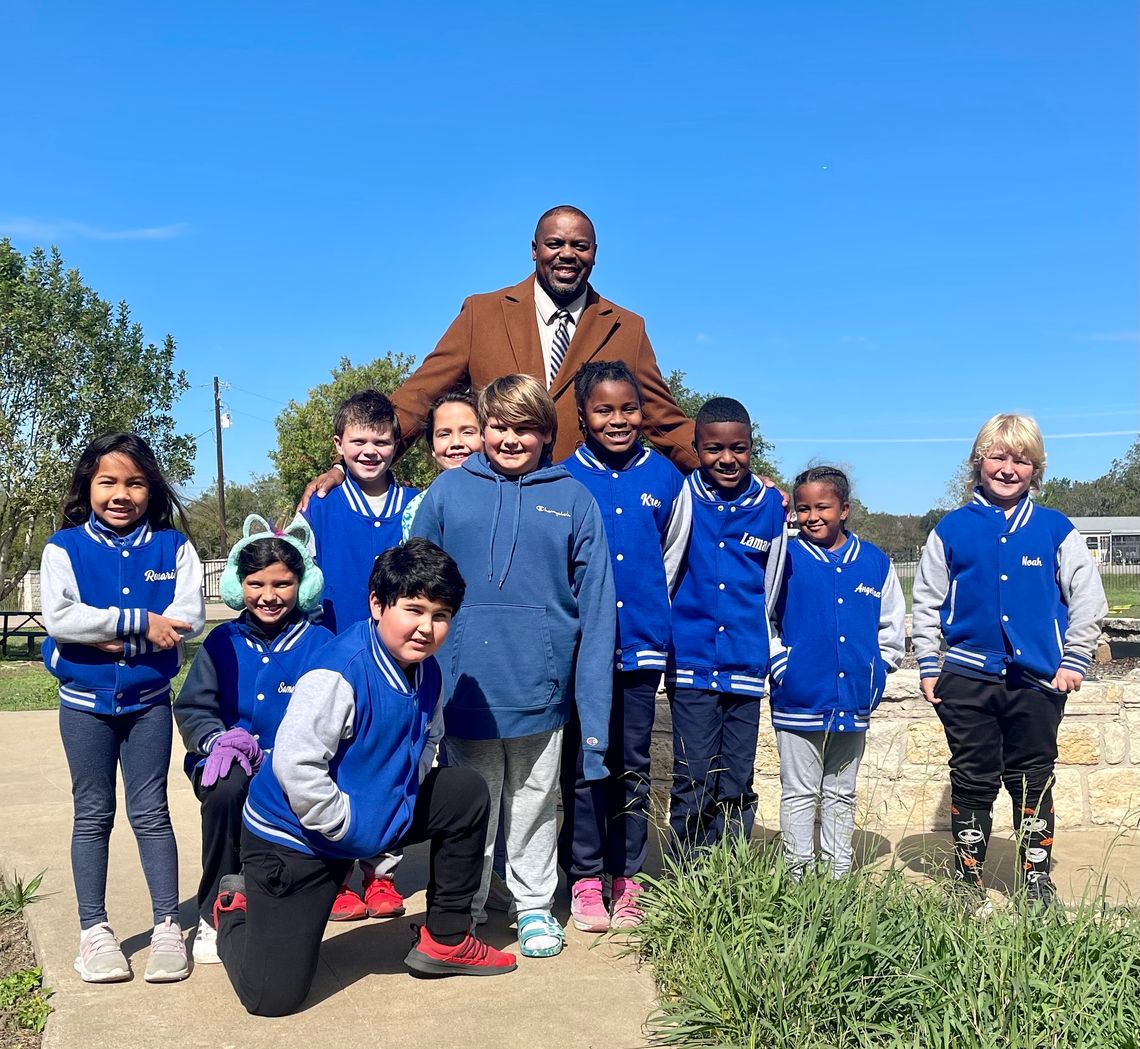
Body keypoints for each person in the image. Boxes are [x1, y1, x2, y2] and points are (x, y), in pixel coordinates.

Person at [215, 540, 516, 1017]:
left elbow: (427, 740)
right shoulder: (341, 671)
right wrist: (351, 829)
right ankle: (237, 903)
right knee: (272, 997)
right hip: (297, 838)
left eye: (440, 615)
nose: (426, 627)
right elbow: (296, 765)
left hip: (363, 821)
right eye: (413, 609)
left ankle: (448, 939)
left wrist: (394, 805)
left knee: (464, 792)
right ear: (377, 604)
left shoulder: (426, 670)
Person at [300, 206, 698, 516]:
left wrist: (729, 468)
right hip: (493, 501)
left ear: (595, 254)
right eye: (555, 244)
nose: (567, 254)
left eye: (580, 246)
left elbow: (664, 419)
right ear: (534, 250)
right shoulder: (482, 313)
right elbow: (418, 396)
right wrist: (351, 464)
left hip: (583, 507)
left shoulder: (626, 327)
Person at [411, 374, 616, 958]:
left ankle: (532, 907)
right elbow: (413, 583)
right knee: (472, 806)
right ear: (483, 429)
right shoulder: (448, 492)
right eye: (498, 425)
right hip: (463, 689)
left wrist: (591, 711)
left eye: (525, 427)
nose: (510, 438)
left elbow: (598, 607)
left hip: (541, 690)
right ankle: (464, 909)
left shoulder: (574, 498)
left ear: (547, 433)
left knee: (532, 806)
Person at [912, 414, 1108, 913]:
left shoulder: (1054, 529)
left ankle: (1035, 881)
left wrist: (1075, 658)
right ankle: (968, 880)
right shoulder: (952, 529)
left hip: (1037, 681)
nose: (1007, 468)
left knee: (1033, 778)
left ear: (1035, 468)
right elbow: (928, 599)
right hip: (966, 679)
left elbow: (1087, 598)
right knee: (973, 777)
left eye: (1021, 460)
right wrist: (929, 665)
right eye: (997, 457)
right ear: (978, 463)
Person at [40, 433, 205, 984]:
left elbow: (189, 620)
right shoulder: (64, 547)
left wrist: (105, 635)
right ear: (88, 485)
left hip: (149, 706)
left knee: (151, 812)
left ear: (151, 488)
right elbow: (61, 621)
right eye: (107, 481)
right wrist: (138, 625)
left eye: (135, 482)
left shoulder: (173, 547)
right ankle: (94, 932)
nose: (121, 493)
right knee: (92, 814)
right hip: (83, 708)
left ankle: (166, 928)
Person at [557, 361, 691, 931]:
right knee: (585, 764)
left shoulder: (666, 479)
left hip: (640, 647)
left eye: (629, 409)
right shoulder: (560, 479)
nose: (618, 420)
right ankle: (585, 879)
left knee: (633, 764)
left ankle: (628, 878)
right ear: (583, 417)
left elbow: (673, 559)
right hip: (582, 650)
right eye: (604, 410)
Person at [174, 515, 333, 964]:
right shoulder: (221, 641)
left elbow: (336, 713)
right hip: (228, 761)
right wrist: (216, 742)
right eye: (255, 583)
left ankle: (285, 904)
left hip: (296, 765)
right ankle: (214, 912)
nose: (268, 596)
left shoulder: (321, 642)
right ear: (237, 585)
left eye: (282, 584)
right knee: (226, 792)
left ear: (302, 586)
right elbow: (192, 708)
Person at [297, 387, 415, 920]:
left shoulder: (414, 505)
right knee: (335, 760)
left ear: (396, 445)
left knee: (387, 759)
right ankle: (338, 872)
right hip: (334, 652)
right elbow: (296, 569)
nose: (371, 450)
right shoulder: (319, 503)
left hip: (395, 659)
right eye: (359, 441)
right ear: (338, 445)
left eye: (382, 441)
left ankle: (381, 870)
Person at [768, 466, 905, 879]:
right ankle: (797, 875)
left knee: (840, 792)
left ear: (844, 509)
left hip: (853, 702)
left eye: (822, 507)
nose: (812, 517)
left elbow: (892, 624)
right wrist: (781, 663)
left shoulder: (874, 562)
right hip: (798, 697)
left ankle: (837, 873)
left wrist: (878, 671)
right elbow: (764, 616)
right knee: (800, 792)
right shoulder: (785, 558)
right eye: (804, 508)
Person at [667, 398, 788, 855]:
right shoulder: (683, 497)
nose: (727, 459)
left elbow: (771, 585)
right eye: (714, 448)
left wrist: (768, 646)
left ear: (751, 447)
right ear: (696, 449)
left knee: (737, 775)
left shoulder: (771, 507)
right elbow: (668, 568)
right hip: (691, 659)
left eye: (739, 448)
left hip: (745, 660)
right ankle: (688, 875)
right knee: (694, 772)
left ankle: (730, 869)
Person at [400, 389, 483, 540]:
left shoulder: (505, 495)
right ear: (432, 447)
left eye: (468, 432)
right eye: (444, 434)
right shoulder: (417, 508)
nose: (456, 443)